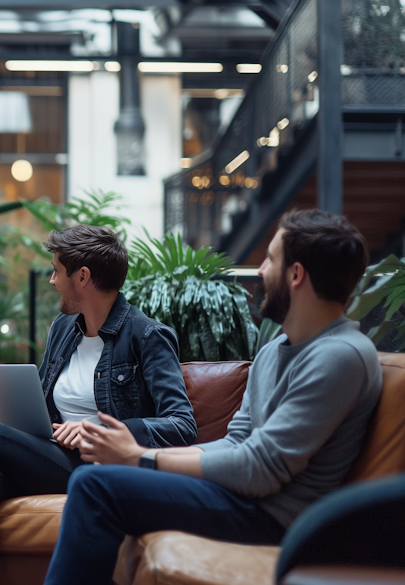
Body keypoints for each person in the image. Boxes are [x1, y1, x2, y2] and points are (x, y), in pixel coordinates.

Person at [43, 210, 382, 585]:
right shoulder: (274, 351)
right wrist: (136, 456)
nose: (260, 271)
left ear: (296, 274)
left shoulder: (341, 355)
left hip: (276, 520)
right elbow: (236, 442)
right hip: (242, 498)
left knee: (95, 486)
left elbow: (261, 469)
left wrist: (139, 457)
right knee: (94, 478)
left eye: (270, 259)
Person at [0, 224, 198, 585]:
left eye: (56, 271)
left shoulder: (147, 336)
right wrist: (1, 392)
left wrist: (100, 429)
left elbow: (182, 425)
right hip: (53, 454)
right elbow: (41, 408)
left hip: (99, 464)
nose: (51, 281)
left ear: (83, 277)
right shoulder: (63, 328)